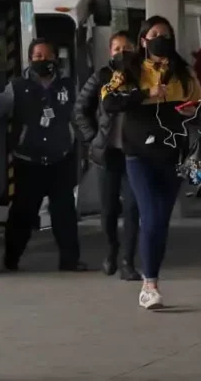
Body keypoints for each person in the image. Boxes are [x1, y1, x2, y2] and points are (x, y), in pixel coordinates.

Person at [101, 16, 201, 309]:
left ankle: (152, 275)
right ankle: (149, 285)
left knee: (161, 220)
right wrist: (146, 95)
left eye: (165, 34)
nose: (160, 38)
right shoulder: (129, 69)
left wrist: (191, 112)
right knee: (151, 216)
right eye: (154, 34)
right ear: (144, 40)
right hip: (138, 156)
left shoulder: (184, 73)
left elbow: (200, 105)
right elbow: (109, 100)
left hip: (173, 154)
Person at [0, 38, 85, 272]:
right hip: (27, 162)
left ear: (56, 58)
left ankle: (70, 261)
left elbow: (79, 117)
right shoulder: (17, 87)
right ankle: (11, 259)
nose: (42, 61)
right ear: (30, 59)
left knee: (64, 213)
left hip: (60, 159)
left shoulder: (68, 87)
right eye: (37, 56)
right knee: (22, 213)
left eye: (47, 56)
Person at [73, 30, 141, 280]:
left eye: (127, 47)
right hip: (109, 154)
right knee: (109, 210)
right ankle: (111, 250)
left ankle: (128, 261)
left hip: (135, 154)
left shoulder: (144, 78)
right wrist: (93, 139)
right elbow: (81, 109)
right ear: (109, 52)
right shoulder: (101, 77)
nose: (122, 53)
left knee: (134, 209)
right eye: (117, 49)